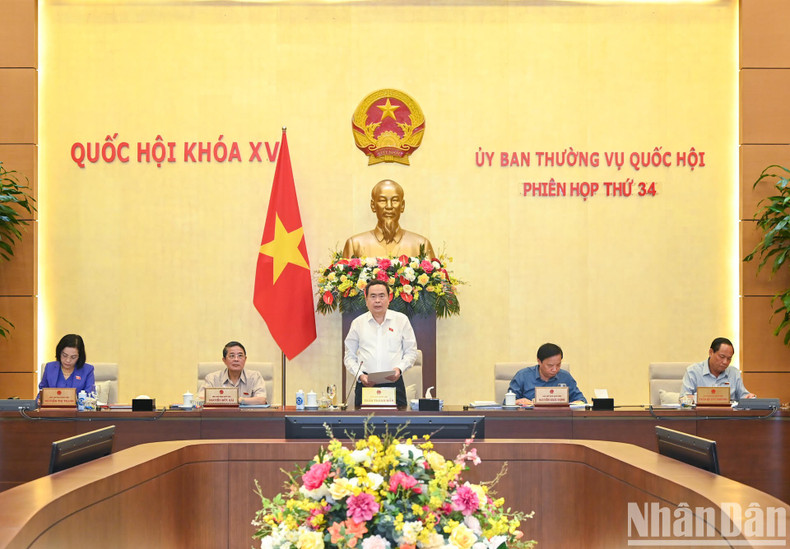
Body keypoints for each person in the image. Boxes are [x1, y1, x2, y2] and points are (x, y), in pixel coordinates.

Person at [344, 279, 417, 408]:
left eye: (381, 296)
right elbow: (349, 356)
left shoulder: (401, 320)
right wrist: (360, 376)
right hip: (366, 384)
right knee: (364, 426)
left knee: (397, 426)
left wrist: (399, 369)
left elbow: (411, 352)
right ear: (366, 300)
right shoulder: (358, 323)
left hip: (394, 383)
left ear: (389, 298)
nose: (377, 300)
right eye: (373, 296)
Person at [342, 179, 436, 259]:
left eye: (395, 200)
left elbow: (436, 279)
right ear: (373, 205)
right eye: (382, 200)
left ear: (402, 205)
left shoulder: (420, 245)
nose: (389, 206)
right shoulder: (355, 244)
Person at [507, 343, 587, 406]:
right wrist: (518, 401)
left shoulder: (565, 377)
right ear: (539, 361)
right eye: (550, 365)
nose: (555, 369)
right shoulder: (523, 376)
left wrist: (577, 402)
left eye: (558, 365)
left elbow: (581, 400)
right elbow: (507, 403)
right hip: (530, 421)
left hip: (560, 421)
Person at [680, 337, 755, 400]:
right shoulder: (693, 371)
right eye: (722, 357)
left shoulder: (734, 373)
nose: (725, 362)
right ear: (711, 352)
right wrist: (709, 398)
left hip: (728, 416)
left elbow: (744, 396)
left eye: (729, 358)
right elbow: (684, 398)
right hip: (701, 416)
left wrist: (749, 397)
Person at [197, 341, 268, 405]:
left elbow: (261, 400)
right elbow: (200, 399)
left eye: (240, 356)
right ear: (224, 360)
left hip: (247, 418)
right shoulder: (212, 378)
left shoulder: (254, 376)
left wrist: (238, 400)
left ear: (245, 359)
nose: (236, 359)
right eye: (232, 356)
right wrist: (228, 400)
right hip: (220, 417)